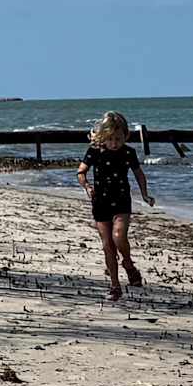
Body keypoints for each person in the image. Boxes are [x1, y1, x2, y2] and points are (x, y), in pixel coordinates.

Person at [83, 111, 153, 300]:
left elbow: (138, 173)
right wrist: (87, 186)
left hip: (122, 201)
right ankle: (115, 286)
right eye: (111, 139)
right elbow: (81, 172)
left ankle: (129, 265)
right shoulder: (95, 151)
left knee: (119, 236)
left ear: (125, 136)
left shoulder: (128, 152)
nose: (115, 143)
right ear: (103, 137)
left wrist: (145, 194)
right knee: (108, 246)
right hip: (100, 203)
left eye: (119, 139)